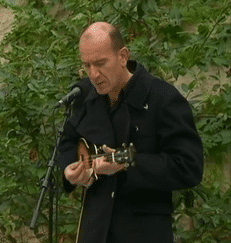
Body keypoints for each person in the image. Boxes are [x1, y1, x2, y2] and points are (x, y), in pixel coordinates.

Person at [56, 22, 203, 243]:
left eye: (100, 63)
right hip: (94, 230)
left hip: (143, 232)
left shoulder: (162, 98)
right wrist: (69, 169)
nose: (94, 74)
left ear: (123, 56)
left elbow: (189, 167)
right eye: (86, 65)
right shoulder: (84, 95)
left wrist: (128, 165)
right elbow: (66, 142)